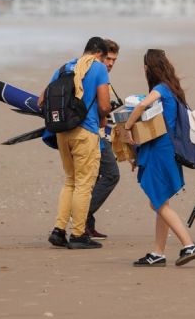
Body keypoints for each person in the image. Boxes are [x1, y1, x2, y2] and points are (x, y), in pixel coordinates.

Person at [119, 48, 195, 267]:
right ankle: (158, 253)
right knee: (160, 200)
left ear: (148, 68)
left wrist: (127, 127)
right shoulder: (172, 89)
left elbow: (142, 105)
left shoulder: (161, 89)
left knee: (157, 203)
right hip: (167, 149)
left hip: (160, 150)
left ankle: (189, 244)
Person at [40, 37, 111, 249]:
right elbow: (105, 106)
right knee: (84, 184)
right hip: (85, 131)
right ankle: (79, 234)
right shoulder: (98, 68)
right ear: (99, 54)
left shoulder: (64, 67)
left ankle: (59, 230)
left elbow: (41, 99)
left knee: (70, 180)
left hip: (62, 131)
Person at [85, 38, 122, 239]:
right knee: (111, 175)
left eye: (114, 60)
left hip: (87, 132)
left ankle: (87, 224)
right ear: (99, 55)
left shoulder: (86, 71)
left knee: (94, 178)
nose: (110, 64)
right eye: (108, 58)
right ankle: (82, 217)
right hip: (93, 134)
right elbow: (103, 108)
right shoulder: (98, 73)